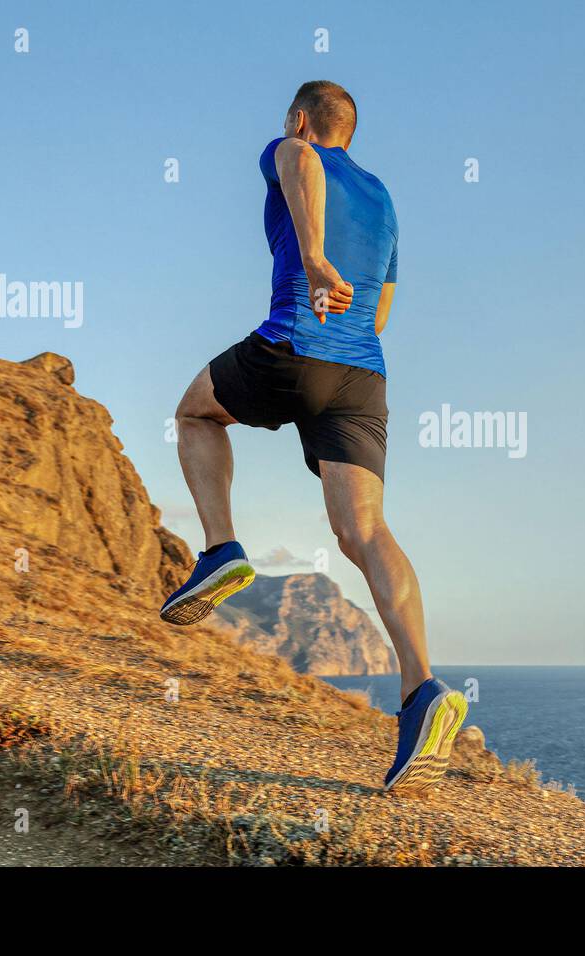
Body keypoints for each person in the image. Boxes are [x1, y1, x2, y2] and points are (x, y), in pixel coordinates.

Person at [160, 81, 465, 793]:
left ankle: (220, 551)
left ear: (301, 119)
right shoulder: (385, 197)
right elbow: (382, 311)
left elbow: (298, 160)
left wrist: (317, 258)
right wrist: (342, 292)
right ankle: (422, 691)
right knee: (365, 531)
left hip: (295, 341)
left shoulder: (292, 148)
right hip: (362, 372)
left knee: (194, 414)